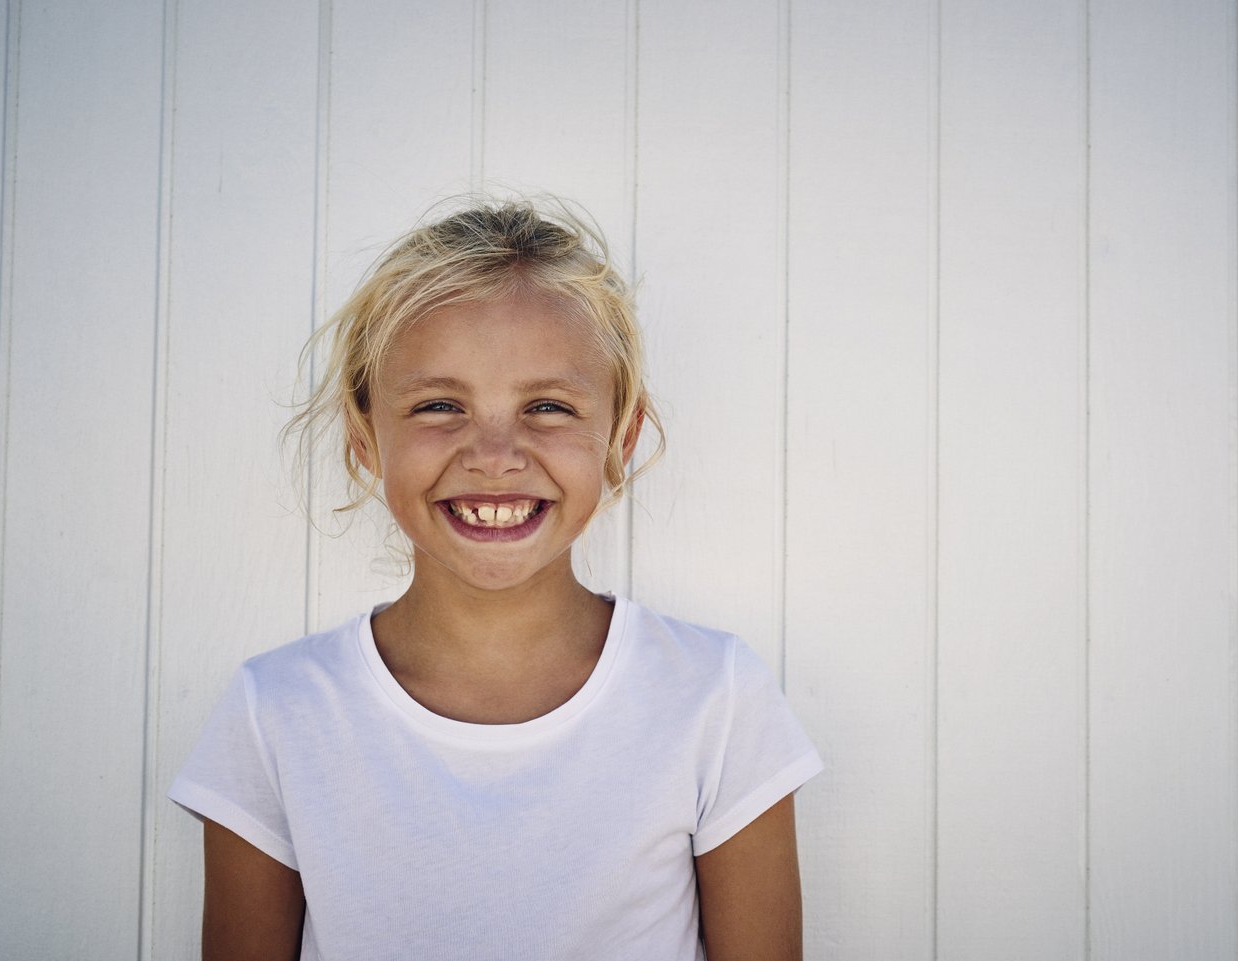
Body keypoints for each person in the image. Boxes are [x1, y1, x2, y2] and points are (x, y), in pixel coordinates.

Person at [169, 197, 822, 961]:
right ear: (364, 437)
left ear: (621, 435)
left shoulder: (715, 698)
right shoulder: (275, 712)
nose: (494, 452)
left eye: (547, 406)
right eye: (439, 405)